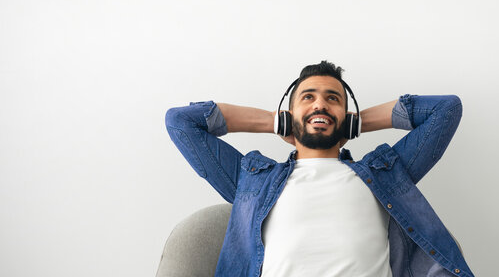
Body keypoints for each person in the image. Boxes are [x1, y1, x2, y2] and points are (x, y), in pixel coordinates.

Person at [164, 61, 475, 277]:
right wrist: (274, 121)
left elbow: (445, 110)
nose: (320, 105)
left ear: (348, 116)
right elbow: (181, 122)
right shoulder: (252, 182)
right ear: (290, 114)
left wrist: (354, 123)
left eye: (332, 99)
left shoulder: (384, 175)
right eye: (308, 98)